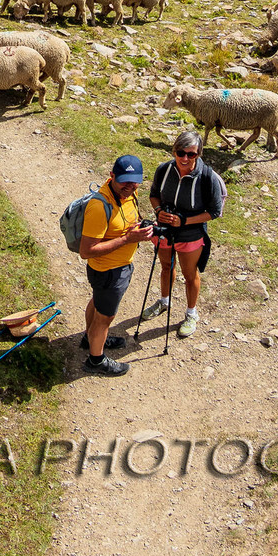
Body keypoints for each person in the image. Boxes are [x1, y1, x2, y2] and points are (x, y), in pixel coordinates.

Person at [141, 129, 225, 340]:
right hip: (165, 230)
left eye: (192, 154)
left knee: (190, 275)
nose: (185, 158)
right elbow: (153, 195)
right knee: (166, 267)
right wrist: (159, 211)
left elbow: (214, 212)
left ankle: (191, 314)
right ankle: (164, 301)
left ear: (199, 154)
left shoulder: (207, 177)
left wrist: (185, 220)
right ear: (174, 151)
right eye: (181, 153)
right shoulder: (164, 170)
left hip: (190, 235)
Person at [78, 153, 150, 377]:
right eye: (124, 181)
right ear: (111, 177)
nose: (130, 186)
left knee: (98, 302)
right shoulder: (99, 206)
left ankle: (89, 338)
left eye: (134, 181)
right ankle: (96, 360)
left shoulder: (130, 193)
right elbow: (86, 251)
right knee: (106, 317)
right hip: (108, 271)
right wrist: (127, 240)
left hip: (116, 268)